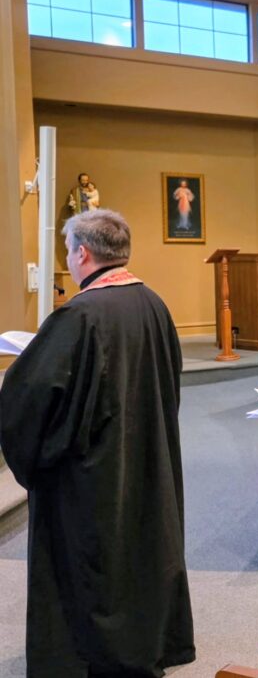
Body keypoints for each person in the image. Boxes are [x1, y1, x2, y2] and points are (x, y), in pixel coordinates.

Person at [0, 210, 195, 676]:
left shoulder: (79, 314)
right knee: (141, 551)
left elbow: (32, 398)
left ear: (83, 253)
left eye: (69, 250)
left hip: (93, 473)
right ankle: (145, 645)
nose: (69, 259)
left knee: (93, 564)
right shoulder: (153, 303)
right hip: (146, 455)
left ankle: (93, 659)